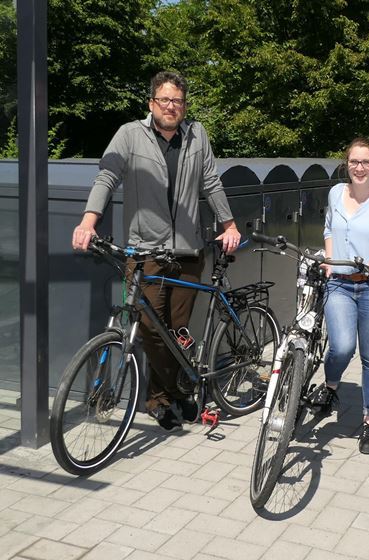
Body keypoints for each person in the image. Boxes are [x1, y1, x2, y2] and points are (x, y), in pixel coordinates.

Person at [71, 71, 241, 431]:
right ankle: (170, 397)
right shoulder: (130, 134)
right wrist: (89, 221)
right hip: (146, 251)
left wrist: (229, 225)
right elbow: (107, 176)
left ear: (184, 106)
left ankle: (169, 397)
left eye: (177, 101)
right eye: (164, 100)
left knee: (178, 330)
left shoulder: (197, 136)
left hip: (189, 252)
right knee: (150, 329)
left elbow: (211, 182)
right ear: (151, 103)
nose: (171, 107)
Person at [307, 138, 369, 454]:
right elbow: (330, 229)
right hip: (340, 284)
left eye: (365, 162)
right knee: (342, 346)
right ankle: (331, 386)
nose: (359, 168)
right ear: (346, 164)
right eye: (353, 162)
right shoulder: (337, 192)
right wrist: (330, 262)